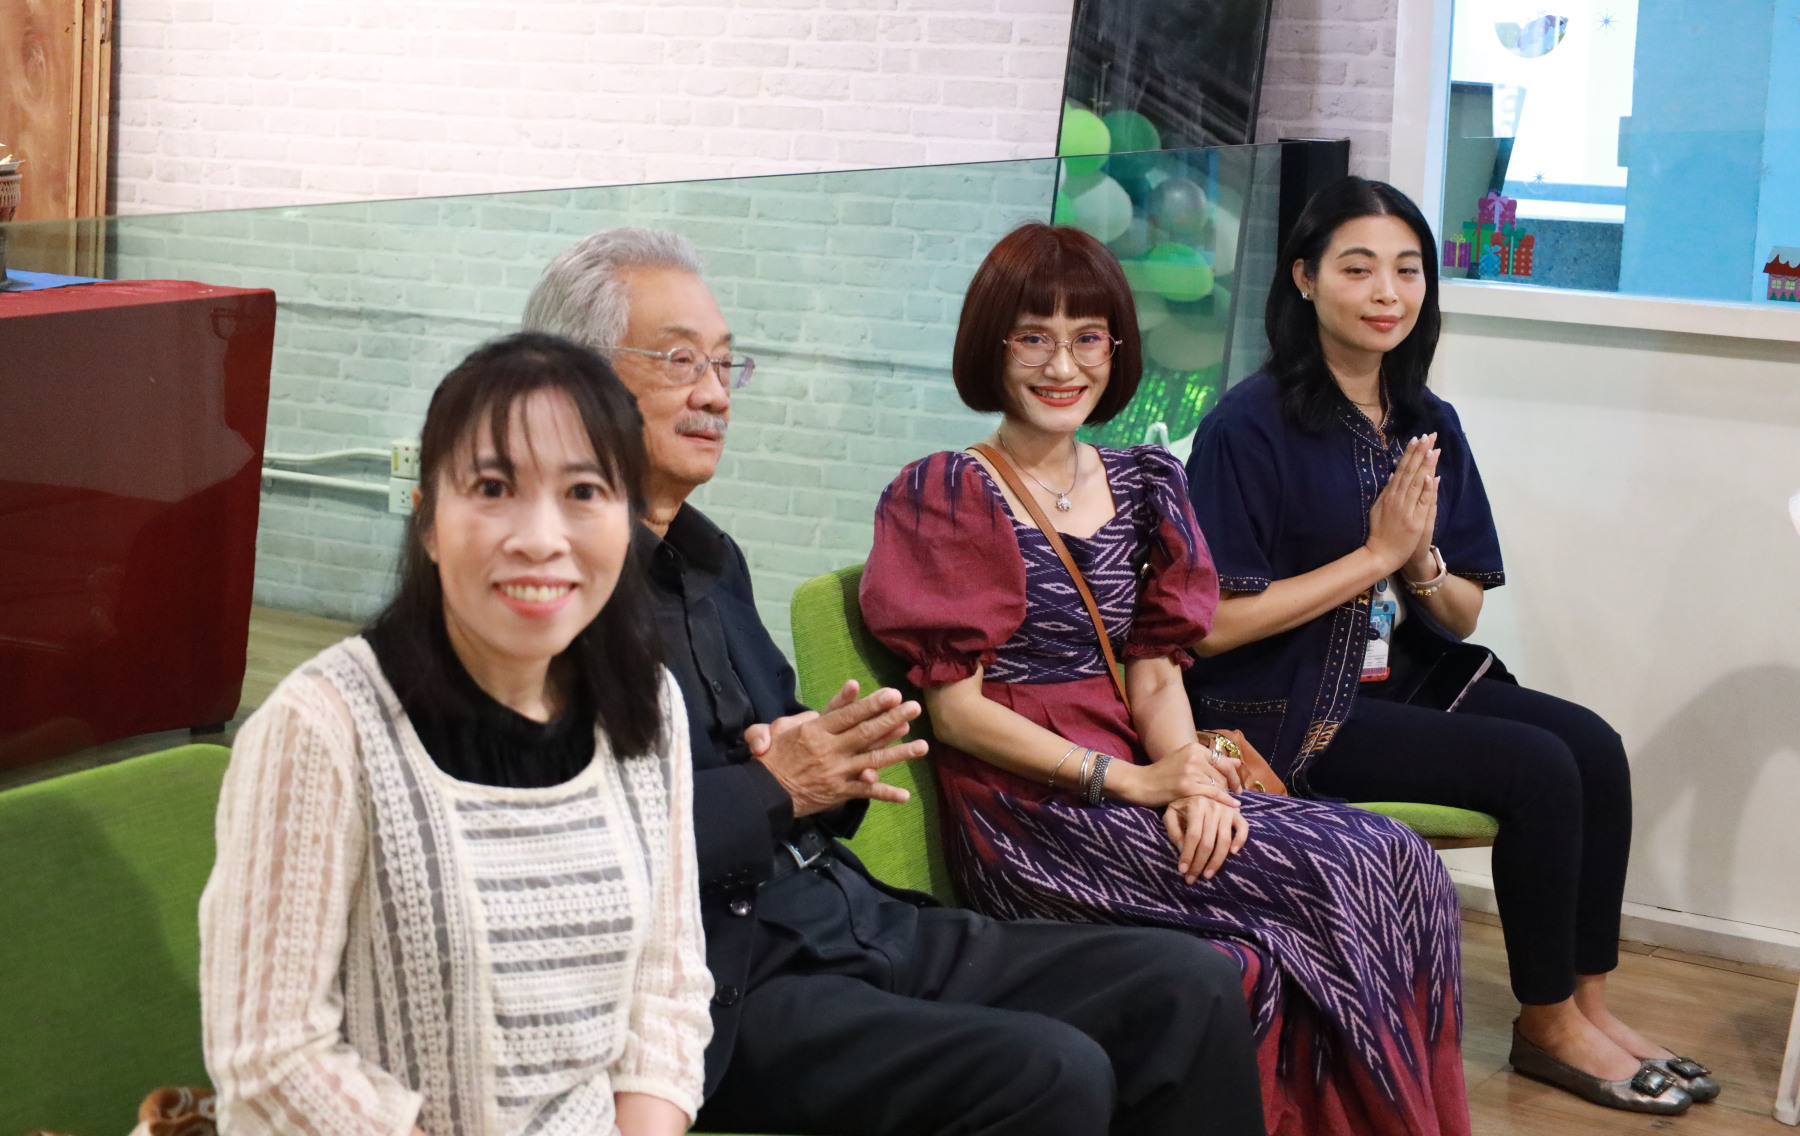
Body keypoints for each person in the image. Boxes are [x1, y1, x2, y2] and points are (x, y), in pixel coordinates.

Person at [521, 227, 1267, 1136]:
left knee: (1188, 984)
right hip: (725, 979)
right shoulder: (539, 592)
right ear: (570, 380)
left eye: (724, 363)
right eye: (681, 362)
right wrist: (772, 785)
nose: (715, 393)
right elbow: (558, 849)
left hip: (847, 919)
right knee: (1050, 1073)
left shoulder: (711, 563)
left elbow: (804, 774)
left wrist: (822, 764)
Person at [858, 222, 1471, 1136]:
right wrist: (1133, 781)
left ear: (1116, 349)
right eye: (1032, 337)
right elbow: (956, 713)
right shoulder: (949, 490)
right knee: (1344, 872)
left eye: (1087, 337)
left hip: (1141, 779)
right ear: (991, 346)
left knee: (1402, 861)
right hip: (1034, 816)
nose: (1062, 364)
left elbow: (1154, 673)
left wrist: (1191, 780)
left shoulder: (1145, 480)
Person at [1182, 176, 1713, 1115]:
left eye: (1407, 269)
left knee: (1593, 747)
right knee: (1538, 769)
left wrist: (1419, 560)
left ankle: (1588, 1005)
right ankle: (1546, 1024)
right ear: (1304, 278)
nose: (1387, 292)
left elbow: (1460, 613)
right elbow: (1215, 622)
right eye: (1358, 269)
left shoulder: (1426, 419)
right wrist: (1373, 556)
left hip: (1402, 679)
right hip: (1283, 702)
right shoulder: (1246, 426)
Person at [200, 334, 712, 1136]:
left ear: (628, 521)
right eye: (493, 487)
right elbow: (272, 1059)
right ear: (429, 522)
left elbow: (666, 991)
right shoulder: (323, 729)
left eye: (584, 490)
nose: (540, 537)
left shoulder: (647, 706)